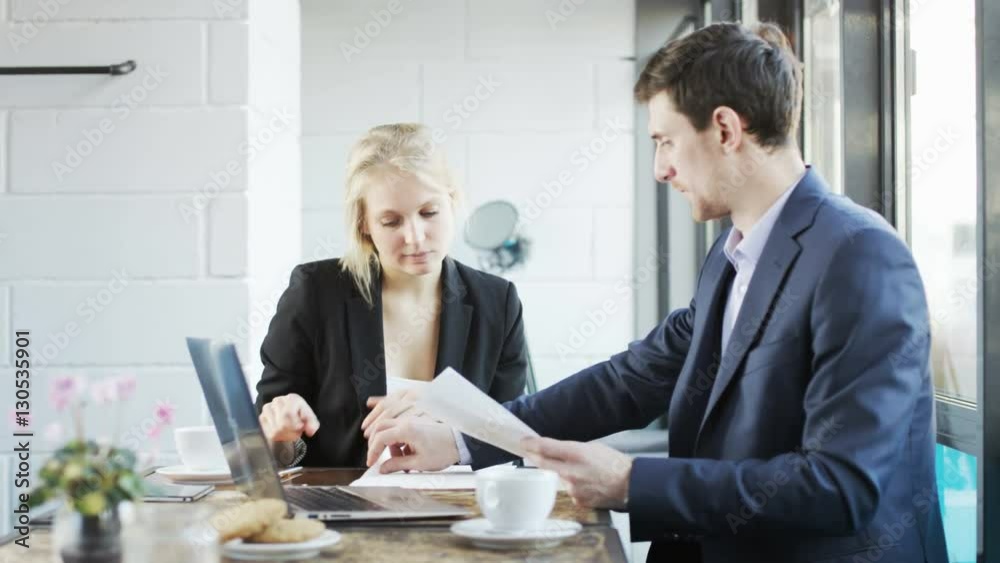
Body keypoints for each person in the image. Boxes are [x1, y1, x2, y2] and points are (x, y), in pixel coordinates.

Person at [364, 23, 948, 563]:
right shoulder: (731, 255)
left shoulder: (860, 256)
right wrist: (461, 438)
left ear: (725, 129)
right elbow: (630, 380)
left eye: (665, 141)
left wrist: (629, 482)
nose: (660, 169)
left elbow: (842, 487)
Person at [255, 123, 528, 468]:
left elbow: (514, 439)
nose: (415, 237)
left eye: (429, 213)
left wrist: (447, 415)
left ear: (452, 201)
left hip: (458, 500)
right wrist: (281, 438)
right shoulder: (315, 293)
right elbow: (264, 453)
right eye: (391, 221)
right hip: (343, 499)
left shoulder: (497, 302)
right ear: (364, 224)